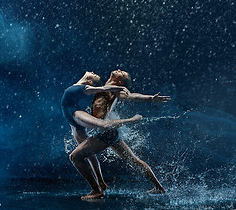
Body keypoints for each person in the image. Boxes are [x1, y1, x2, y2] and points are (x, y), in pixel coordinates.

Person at [69, 70, 171, 199]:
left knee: (75, 157)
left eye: (122, 73)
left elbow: (132, 96)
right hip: (111, 133)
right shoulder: (104, 88)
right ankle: (159, 187)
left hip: (108, 133)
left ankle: (97, 191)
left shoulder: (114, 91)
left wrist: (150, 98)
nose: (119, 70)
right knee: (134, 161)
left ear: (120, 81)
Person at [61, 71, 142, 199]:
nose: (92, 72)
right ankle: (101, 183)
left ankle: (131, 119)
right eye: (93, 74)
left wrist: (121, 88)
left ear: (90, 81)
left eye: (93, 75)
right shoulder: (78, 84)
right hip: (72, 123)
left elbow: (104, 88)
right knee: (88, 154)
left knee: (103, 126)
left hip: (75, 114)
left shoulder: (86, 87)